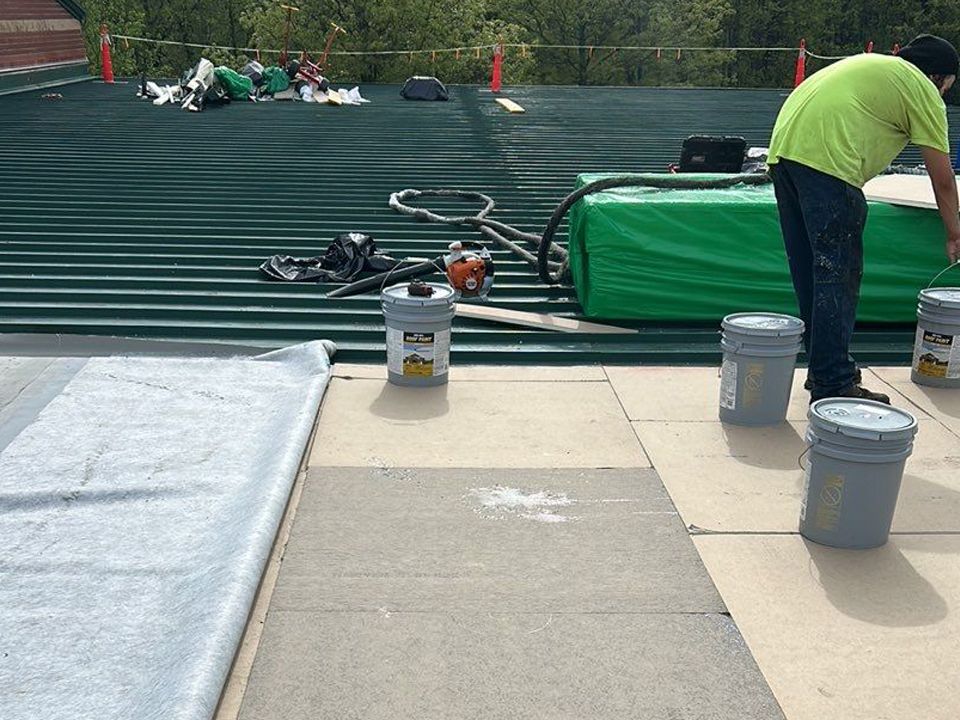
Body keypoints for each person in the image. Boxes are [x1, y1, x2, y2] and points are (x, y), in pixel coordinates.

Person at [767, 34, 960, 404]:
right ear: (938, 77)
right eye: (948, 87)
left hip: (784, 157)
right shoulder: (920, 87)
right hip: (828, 166)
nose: (944, 97)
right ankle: (833, 384)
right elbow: (942, 179)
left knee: (813, 274)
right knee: (837, 276)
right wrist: (954, 232)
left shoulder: (873, 68)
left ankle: (826, 370)